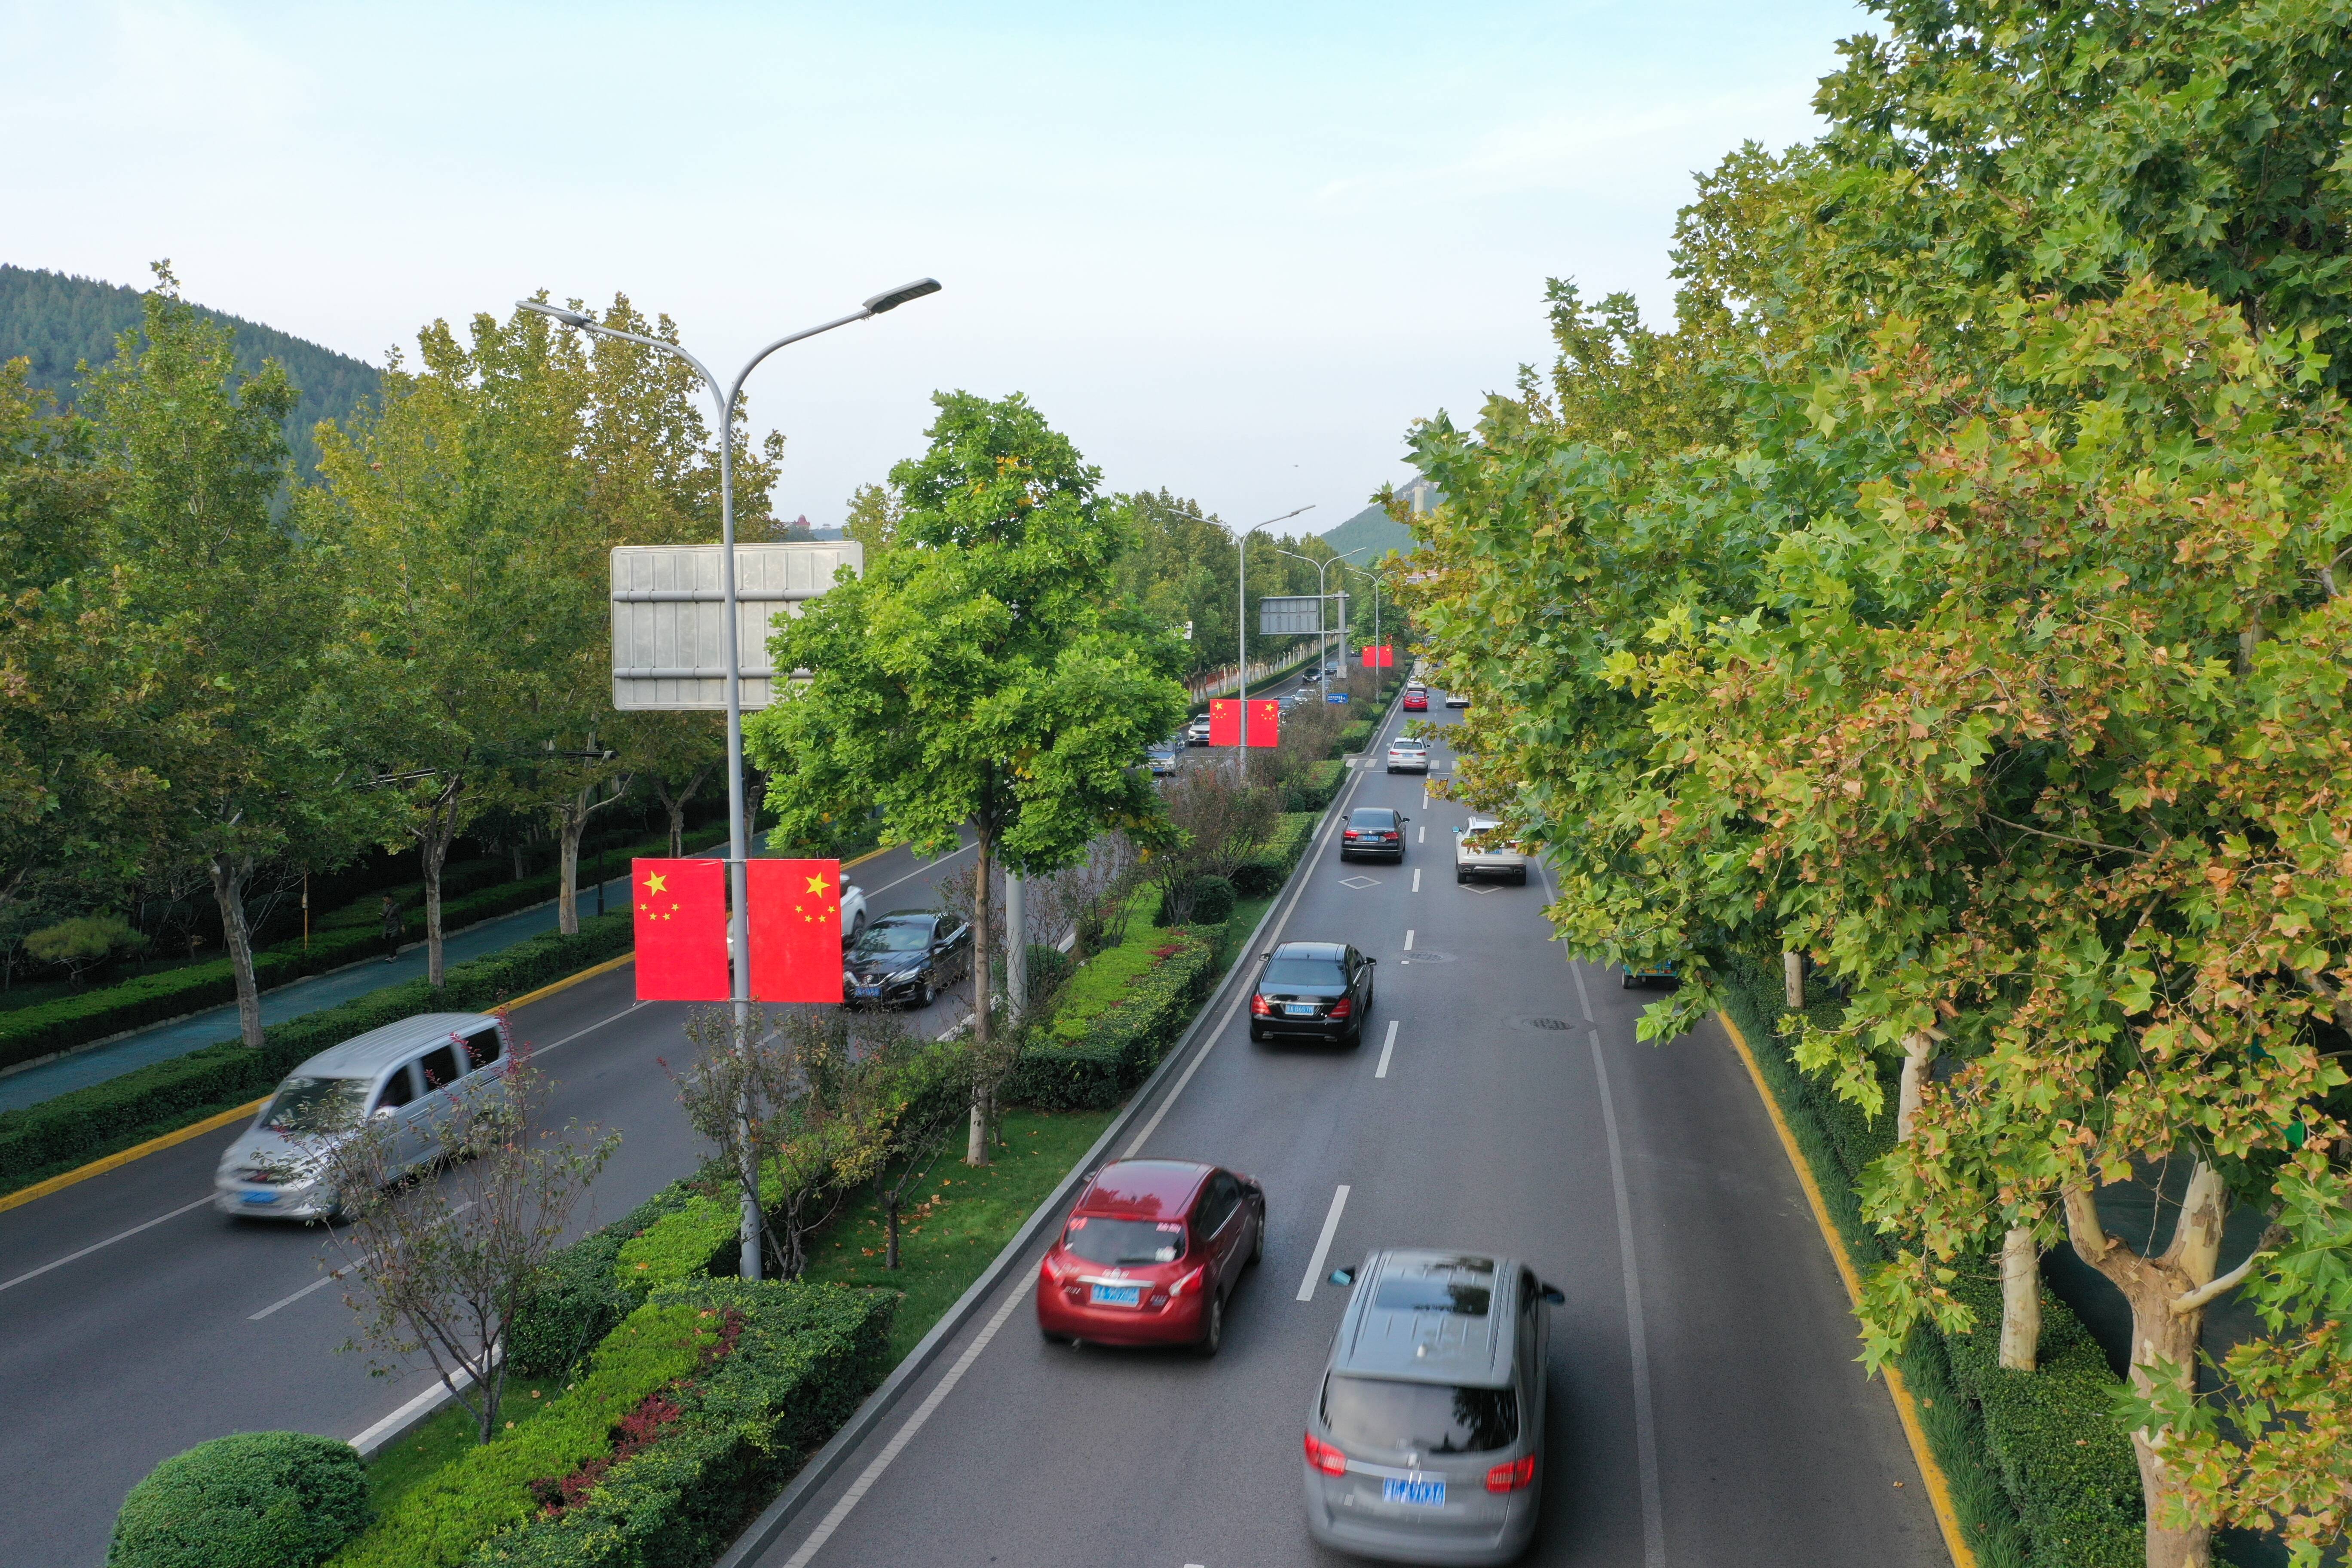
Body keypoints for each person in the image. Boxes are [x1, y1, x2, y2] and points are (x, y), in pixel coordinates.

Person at [380, 894, 402, 963]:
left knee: (392, 941)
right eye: (384, 899)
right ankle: (394, 955)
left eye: (386, 899)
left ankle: (391, 957)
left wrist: (402, 925)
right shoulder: (384, 906)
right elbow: (384, 914)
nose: (385, 900)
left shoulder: (397, 906)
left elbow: (400, 916)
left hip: (395, 926)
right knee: (389, 941)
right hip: (388, 926)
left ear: (390, 898)